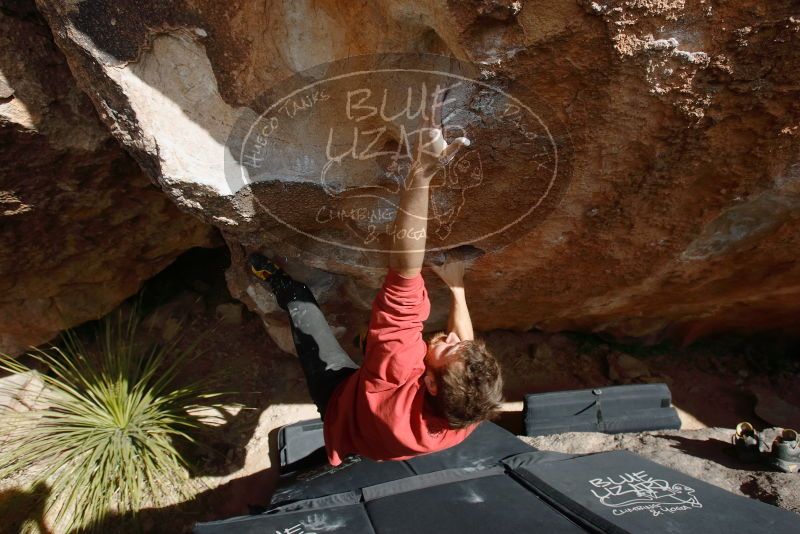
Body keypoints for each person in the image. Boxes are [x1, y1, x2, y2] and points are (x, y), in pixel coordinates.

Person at [249, 94, 503, 466]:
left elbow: (405, 269)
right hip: (374, 436)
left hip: (339, 398)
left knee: (302, 303)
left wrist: (422, 173)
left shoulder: (399, 367)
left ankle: (277, 282)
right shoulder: (465, 410)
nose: (452, 339)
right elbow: (463, 346)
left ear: (428, 384)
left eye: (448, 349)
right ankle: (366, 349)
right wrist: (457, 286)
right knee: (375, 344)